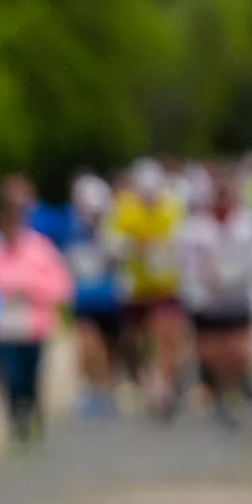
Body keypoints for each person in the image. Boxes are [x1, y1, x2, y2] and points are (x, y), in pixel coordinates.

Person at [0, 176, 74, 441]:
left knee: (31, 374)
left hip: (33, 324)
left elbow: (60, 286)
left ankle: (33, 412)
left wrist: (29, 289)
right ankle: (16, 418)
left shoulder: (39, 247)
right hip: (3, 327)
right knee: (10, 376)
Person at [175, 168, 252, 426]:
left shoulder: (248, 223)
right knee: (211, 352)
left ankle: (238, 386)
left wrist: (249, 282)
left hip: (238, 298)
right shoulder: (194, 228)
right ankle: (220, 393)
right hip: (208, 301)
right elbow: (187, 266)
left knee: (239, 351)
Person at [111, 159, 188, 419]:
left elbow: (184, 242)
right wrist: (133, 246)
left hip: (166, 284)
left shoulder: (173, 208)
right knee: (137, 339)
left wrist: (158, 247)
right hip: (136, 288)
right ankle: (145, 378)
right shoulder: (124, 208)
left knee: (166, 334)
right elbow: (109, 242)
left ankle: (165, 384)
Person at [52, 174, 128, 418]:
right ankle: (91, 390)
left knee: (109, 349)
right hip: (84, 301)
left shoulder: (112, 229)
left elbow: (123, 260)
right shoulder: (70, 229)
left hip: (110, 300)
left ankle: (107, 389)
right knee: (88, 346)